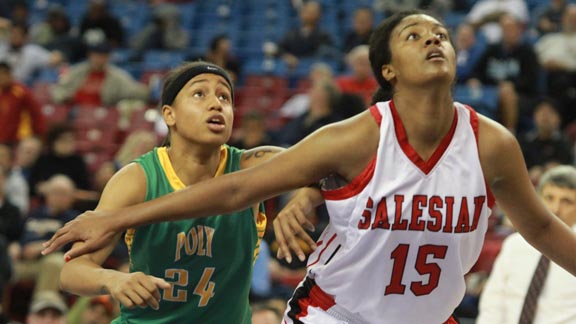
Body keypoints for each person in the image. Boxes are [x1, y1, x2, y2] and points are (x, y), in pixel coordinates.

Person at [42, 10, 576, 324]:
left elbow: (544, 229)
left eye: (440, 33)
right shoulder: (355, 137)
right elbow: (240, 191)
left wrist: (310, 193)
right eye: (414, 35)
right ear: (387, 70)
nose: (434, 39)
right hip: (338, 317)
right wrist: (115, 228)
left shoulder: (491, 143)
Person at [51, 61, 317, 323]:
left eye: (224, 97)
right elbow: (71, 272)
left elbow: (325, 164)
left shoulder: (251, 166)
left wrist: (304, 197)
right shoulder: (138, 179)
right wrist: (112, 279)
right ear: (169, 114)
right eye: (199, 94)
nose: (216, 104)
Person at [476, 165, 576, 324]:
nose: (556, 209)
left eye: (567, 201)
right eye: (549, 198)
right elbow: (493, 303)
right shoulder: (514, 245)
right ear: (537, 200)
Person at [0, 61, 46, 145]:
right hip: (2, 139)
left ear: (9, 74)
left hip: (19, 138)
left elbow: (36, 113)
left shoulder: (22, 92)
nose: (1, 78)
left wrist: (39, 134)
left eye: (3, 74)